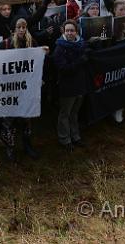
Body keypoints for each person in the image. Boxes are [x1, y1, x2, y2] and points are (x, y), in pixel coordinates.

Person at [0, 18, 47, 161]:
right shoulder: (5, 44)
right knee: (9, 120)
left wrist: (45, 53)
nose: (21, 30)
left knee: (26, 119)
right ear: (14, 29)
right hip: (10, 89)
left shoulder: (33, 43)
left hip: (27, 89)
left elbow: (39, 63)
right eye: (19, 27)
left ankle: (27, 145)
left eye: (24, 27)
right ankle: (10, 147)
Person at [52, 20, 90, 151]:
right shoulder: (59, 48)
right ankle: (64, 139)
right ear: (63, 31)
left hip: (80, 84)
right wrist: (80, 61)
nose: (69, 33)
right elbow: (63, 68)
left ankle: (75, 136)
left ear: (76, 32)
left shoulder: (81, 44)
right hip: (67, 86)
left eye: (72, 30)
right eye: (67, 30)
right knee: (65, 114)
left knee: (75, 113)